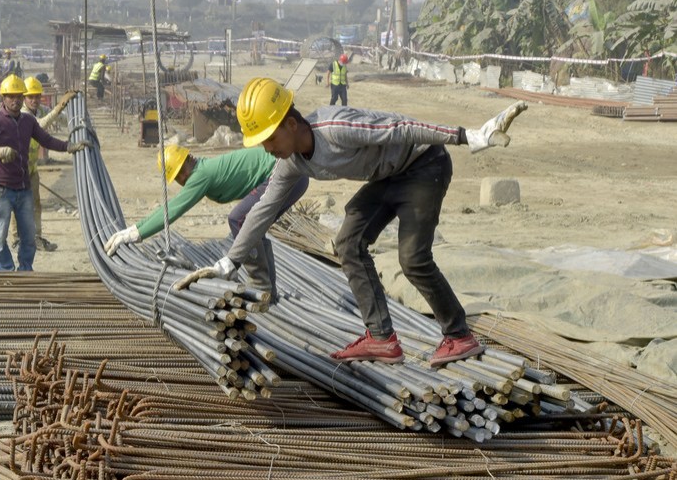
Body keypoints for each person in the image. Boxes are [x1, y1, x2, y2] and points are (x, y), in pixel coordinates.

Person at [177, 77, 528, 368]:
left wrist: (468, 136)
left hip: (424, 167)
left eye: (269, 138)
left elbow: (401, 127)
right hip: (387, 178)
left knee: (412, 259)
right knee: (348, 242)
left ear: (291, 123)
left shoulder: (335, 127)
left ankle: (458, 336)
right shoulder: (291, 162)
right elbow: (263, 210)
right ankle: (382, 339)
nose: (267, 148)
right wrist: (229, 261)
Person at [105, 145, 309, 293]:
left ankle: (261, 286)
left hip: (286, 176)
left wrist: (136, 234)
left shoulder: (200, 175)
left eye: (177, 177)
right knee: (253, 228)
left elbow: (173, 210)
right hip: (292, 175)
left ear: (181, 172)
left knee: (238, 219)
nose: (180, 182)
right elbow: (170, 208)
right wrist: (135, 227)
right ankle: (268, 290)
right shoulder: (202, 169)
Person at [0, 74, 89, 272]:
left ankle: (25, 269)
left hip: (23, 187)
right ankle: (5, 271)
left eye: (19, 96)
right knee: (1, 234)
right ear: (3, 98)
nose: (15, 100)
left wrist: (69, 147)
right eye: (11, 96)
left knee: (28, 235)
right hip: (1, 188)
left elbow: (47, 140)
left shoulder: (28, 121)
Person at [11, 77, 77, 253]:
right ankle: (17, 238)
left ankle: (36, 237)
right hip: (17, 168)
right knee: (17, 204)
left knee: (35, 204)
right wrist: (59, 106)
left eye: (37, 96)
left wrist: (76, 120)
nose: (34, 100)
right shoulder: (22, 114)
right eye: (30, 97)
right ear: (24, 98)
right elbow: (41, 125)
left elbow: (61, 120)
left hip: (31, 167)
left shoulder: (40, 110)